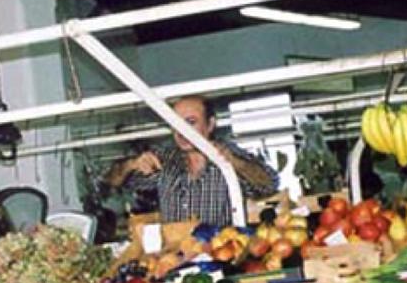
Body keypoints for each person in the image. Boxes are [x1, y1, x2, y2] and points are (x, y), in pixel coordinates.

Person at [105, 96, 279, 228]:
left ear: (210, 124)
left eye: (191, 122)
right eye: (176, 124)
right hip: (174, 261)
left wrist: (234, 163)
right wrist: (131, 164)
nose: (182, 132)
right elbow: (111, 181)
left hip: (221, 257)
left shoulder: (229, 155)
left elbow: (269, 184)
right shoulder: (163, 160)